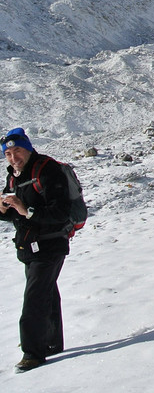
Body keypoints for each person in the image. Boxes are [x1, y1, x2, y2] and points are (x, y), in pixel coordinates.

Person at [0, 128, 74, 372]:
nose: (13, 157)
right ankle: (51, 343)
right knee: (46, 293)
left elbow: (60, 212)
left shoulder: (48, 170)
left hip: (50, 244)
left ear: (28, 148)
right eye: (8, 154)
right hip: (29, 245)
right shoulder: (15, 175)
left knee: (34, 298)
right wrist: (3, 210)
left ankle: (32, 353)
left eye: (17, 150)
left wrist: (26, 211)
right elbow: (16, 212)